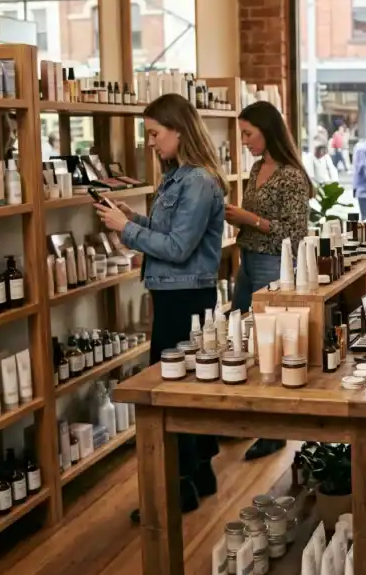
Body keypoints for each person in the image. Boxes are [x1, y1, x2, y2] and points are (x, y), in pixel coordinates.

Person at [95, 93, 227, 521]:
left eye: (155, 133)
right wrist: (134, 217)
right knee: (185, 386)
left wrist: (128, 229)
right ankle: (199, 472)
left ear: (179, 130)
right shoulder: (178, 178)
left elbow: (178, 246)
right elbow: (169, 232)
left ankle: (179, 486)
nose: (150, 142)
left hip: (184, 296)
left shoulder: (198, 181)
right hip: (177, 293)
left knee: (171, 391)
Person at [224, 100, 310, 461]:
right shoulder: (257, 167)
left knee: (270, 349)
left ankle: (273, 430)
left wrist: (251, 218)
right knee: (240, 338)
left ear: (267, 130)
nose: (244, 141)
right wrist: (241, 220)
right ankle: (246, 419)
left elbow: (295, 232)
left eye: (248, 133)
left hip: (274, 266)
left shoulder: (291, 176)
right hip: (248, 262)